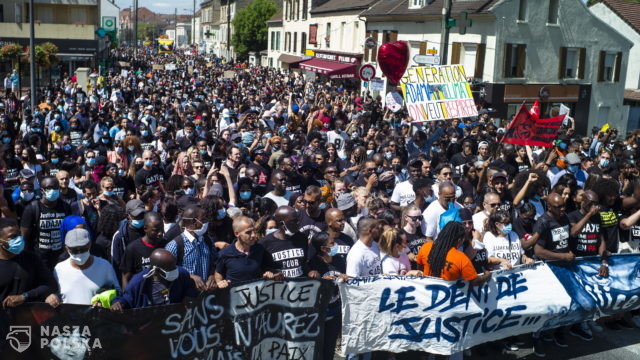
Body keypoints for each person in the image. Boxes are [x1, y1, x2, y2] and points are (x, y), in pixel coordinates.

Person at [49, 228, 121, 306]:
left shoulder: (105, 266)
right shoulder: (59, 270)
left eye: (83, 249)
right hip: (68, 317)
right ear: (67, 248)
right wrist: (52, 297)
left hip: (97, 317)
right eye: (74, 250)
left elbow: (117, 293)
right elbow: (55, 295)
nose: (79, 253)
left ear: (89, 245)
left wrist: (103, 301)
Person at [110, 249, 199, 310]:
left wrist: (189, 296)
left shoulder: (182, 274)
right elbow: (127, 299)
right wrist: (118, 303)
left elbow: (189, 288)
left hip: (173, 324)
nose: (175, 271)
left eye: (174, 266)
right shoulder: (138, 283)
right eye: (170, 269)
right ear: (156, 270)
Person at [0, 218, 56, 310]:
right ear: (1, 241)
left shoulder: (32, 258)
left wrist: (24, 297)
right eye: (13, 237)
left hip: (28, 319)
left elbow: (50, 285)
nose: (19, 238)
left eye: (19, 234)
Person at [20, 176, 72, 270]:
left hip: (61, 256)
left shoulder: (65, 207)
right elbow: (24, 236)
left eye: (56, 187)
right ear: (42, 190)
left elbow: (70, 231)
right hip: (40, 257)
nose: (53, 190)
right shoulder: (32, 208)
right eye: (49, 188)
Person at [416, 221, 491, 284]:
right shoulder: (461, 258)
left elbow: (419, 269)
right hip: (448, 298)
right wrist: (486, 276)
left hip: (427, 295)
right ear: (459, 240)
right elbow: (474, 281)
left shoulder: (425, 247)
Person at [165, 205, 218, 291]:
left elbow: (215, 262)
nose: (206, 222)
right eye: (203, 219)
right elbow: (167, 271)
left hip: (205, 294)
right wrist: (189, 276)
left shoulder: (207, 241)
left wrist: (212, 276)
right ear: (193, 222)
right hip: (184, 296)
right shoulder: (175, 245)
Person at [215, 216, 278, 287]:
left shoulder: (259, 249)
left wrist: (268, 273)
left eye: (254, 231)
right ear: (237, 234)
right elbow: (218, 272)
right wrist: (220, 282)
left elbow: (267, 267)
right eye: (248, 232)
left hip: (258, 295)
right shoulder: (225, 253)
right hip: (235, 296)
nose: (253, 235)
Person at [259, 206, 309, 278]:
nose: (298, 223)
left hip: (300, 286)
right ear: (282, 224)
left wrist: (310, 271)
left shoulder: (302, 238)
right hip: (279, 287)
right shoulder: (264, 243)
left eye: (297, 219)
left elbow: (304, 264)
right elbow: (261, 267)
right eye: (293, 221)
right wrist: (270, 273)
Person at [120, 211, 164, 288]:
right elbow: (126, 277)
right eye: (155, 230)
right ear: (145, 229)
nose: (160, 233)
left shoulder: (166, 245)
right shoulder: (133, 249)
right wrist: (126, 297)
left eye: (161, 229)